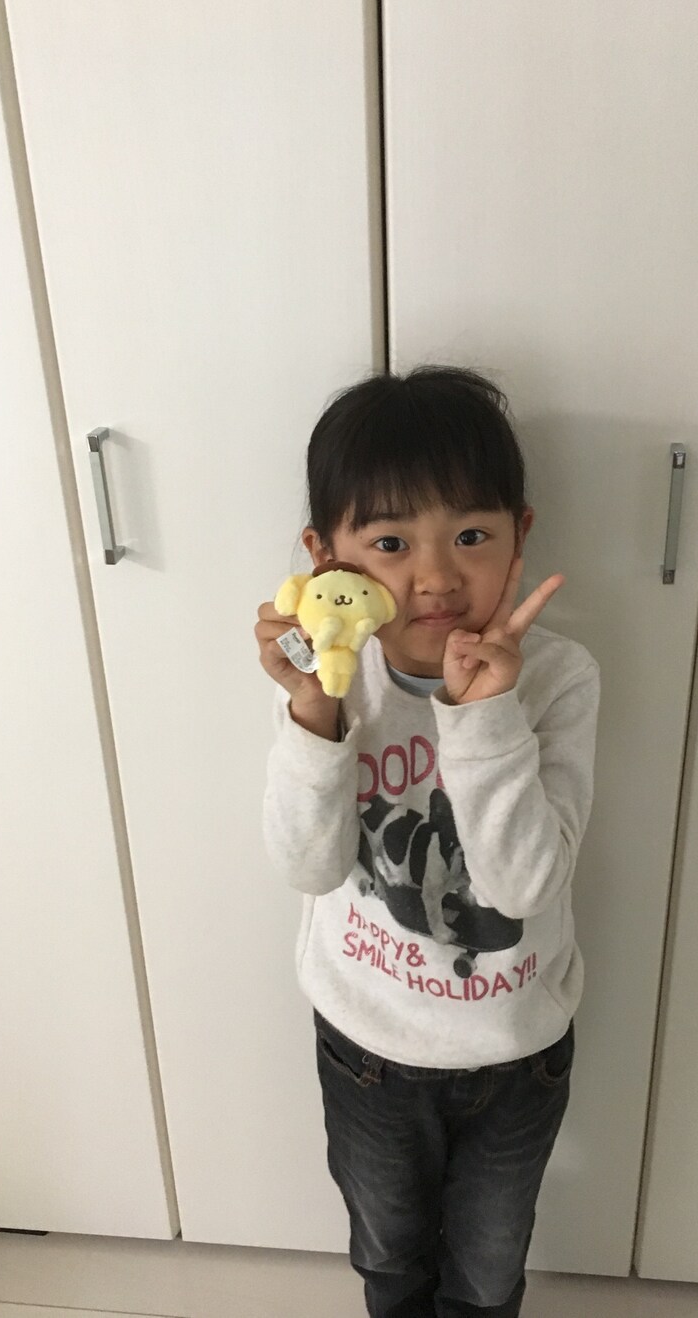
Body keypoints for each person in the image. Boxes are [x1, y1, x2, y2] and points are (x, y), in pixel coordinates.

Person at [254, 366, 600, 1318]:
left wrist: (484, 713)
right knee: (389, 1262)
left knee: (487, 1282)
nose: (437, 576)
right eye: (391, 542)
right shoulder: (332, 677)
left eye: (472, 536)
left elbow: (523, 886)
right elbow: (309, 865)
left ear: (520, 534)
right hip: (367, 1048)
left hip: (516, 1052)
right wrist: (314, 712)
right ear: (323, 556)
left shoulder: (558, 679)